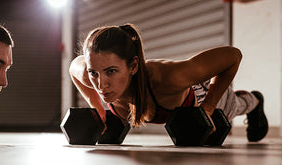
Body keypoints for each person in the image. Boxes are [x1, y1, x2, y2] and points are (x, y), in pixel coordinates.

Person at [69, 23, 268, 142]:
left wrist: (208, 108)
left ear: (134, 66)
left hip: (200, 96)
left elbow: (233, 56)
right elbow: (73, 68)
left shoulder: (168, 78)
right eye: (94, 72)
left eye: (111, 71)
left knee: (236, 106)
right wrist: (98, 109)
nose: (101, 85)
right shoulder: (90, 74)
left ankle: (253, 101)